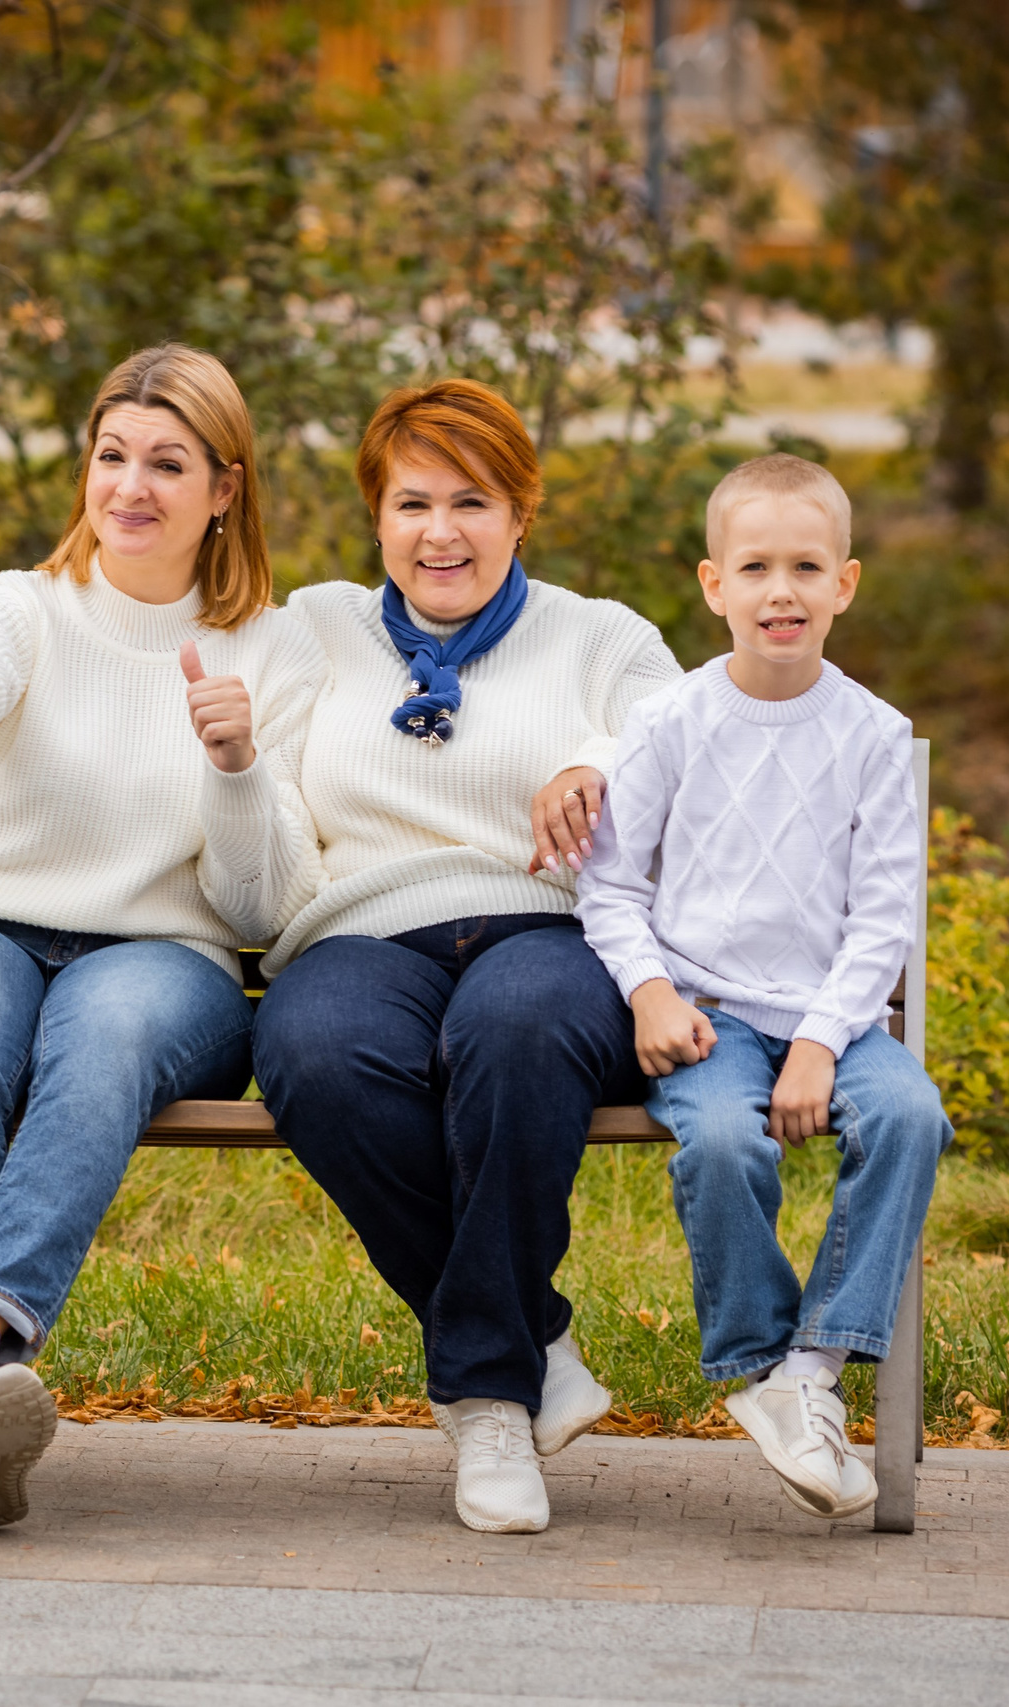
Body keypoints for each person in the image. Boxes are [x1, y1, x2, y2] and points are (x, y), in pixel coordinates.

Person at [0, 343, 324, 1531]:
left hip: (166, 960)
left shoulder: (275, 649)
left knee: (103, 1040)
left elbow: (265, 910)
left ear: (225, 489)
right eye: (111, 457)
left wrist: (234, 766)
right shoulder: (22, 605)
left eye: (167, 464)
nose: (130, 487)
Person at [251, 377, 684, 1535]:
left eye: (472, 502)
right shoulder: (315, 626)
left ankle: (486, 1400)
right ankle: (528, 1337)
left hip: (544, 925)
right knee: (312, 1049)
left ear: (521, 513)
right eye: (412, 504)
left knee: (518, 1031)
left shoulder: (603, 635)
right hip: (362, 928)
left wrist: (595, 762)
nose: (440, 532)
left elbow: (672, 734)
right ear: (376, 517)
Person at [577, 452, 945, 1521]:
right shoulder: (672, 723)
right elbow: (608, 884)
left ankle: (812, 1372)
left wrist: (827, 1042)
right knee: (727, 1143)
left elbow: (883, 921)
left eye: (805, 566)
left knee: (912, 1115)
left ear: (845, 582)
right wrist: (648, 992)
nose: (779, 591)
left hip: (832, 1017)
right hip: (706, 1014)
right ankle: (753, 1361)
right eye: (755, 567)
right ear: (712, 585)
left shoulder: (871, 737)